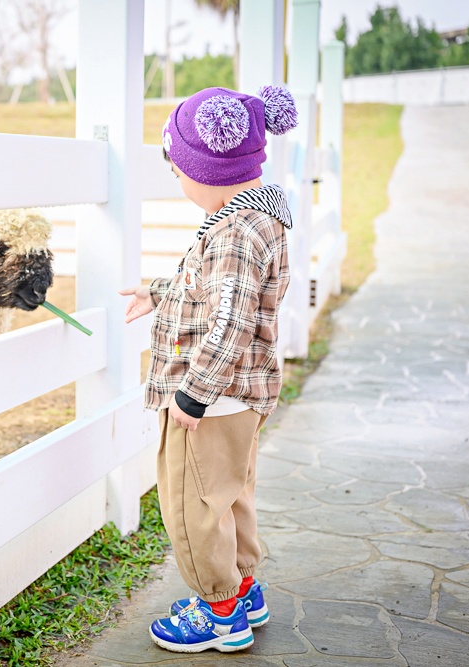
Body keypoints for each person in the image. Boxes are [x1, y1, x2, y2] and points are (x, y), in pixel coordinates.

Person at [120, 85, 297, 653]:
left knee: (192, 502)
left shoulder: (234, 234)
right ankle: (243, 588)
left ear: (209, 170)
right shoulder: (257, 220)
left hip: (212, 400)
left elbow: (228, 322)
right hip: (240, 396)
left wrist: (192, 396)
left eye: (179, 171)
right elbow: (215, 293)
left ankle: (218, 610)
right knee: (230, 493)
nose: (178, 181)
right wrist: (160, 292)